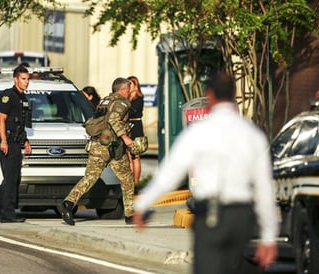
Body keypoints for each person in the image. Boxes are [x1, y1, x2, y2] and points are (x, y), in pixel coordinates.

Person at [133, 71, 278, 273]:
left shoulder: (199, 132)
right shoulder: (252, 134)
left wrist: (142, 204)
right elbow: (264, 188)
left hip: (211, 216)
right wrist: (268, 237)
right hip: (242, 218)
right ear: (234, 93)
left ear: (209, 94)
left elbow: (169, 175)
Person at [60, 77, 136, 225]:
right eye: (129, 89)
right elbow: (114, 120)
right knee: (127, 180)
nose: (130, 92)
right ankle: (130, 214)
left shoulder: (105, 101)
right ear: (123, 90)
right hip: (112, 147)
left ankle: (68, 204)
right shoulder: (121, 102)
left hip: (98, 145)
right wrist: (126, 139)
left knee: (89, 178)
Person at [0, 65, 32, 223]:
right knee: (11, 178)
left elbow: (21, 123)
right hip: (7, 142)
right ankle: (7, 213)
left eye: (28, 79)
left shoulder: (22, 98)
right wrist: (4, 141)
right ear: (16, 79)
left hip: (16, 142)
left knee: (12, 178)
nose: (26, 82)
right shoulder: (8, 95)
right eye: (23, 79)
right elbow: (1, 119)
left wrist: (26, 141)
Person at [127, 76, 145, 186]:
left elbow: (133, 111)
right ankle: (130, 182)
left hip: (136, 126)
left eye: (130, 84)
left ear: (135, 85)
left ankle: (136, 181)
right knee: (128, 155)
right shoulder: (125, 98)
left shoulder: (139, 99)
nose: (128, 86)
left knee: (136, 156)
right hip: (127, 126)